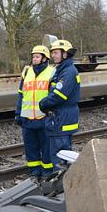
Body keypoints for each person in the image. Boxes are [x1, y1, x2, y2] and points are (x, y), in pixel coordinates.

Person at [38, 39, 80, 171]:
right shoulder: (62, 70)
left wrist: (43, 104)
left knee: (60, 157)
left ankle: (61, 187)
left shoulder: (68, 72)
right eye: (53, 53)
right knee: (61, 154)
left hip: (62, 119)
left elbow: (58, 96)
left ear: (65, 54)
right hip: (61, 117)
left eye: (56, 52)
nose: (53, 56)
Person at [15, 45, 54, 178]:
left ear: (44, 58)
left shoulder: (52, 72)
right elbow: (21, 94)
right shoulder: (26, 72)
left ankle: (47, 172)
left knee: (46, 147)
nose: (34, 59)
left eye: (37, 56)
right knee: (30, 148)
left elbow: (53, 97)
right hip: (27, 119)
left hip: (44, 118)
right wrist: (18, 113)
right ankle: (34, 172)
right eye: (33, 56)